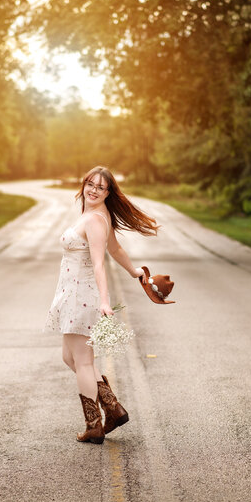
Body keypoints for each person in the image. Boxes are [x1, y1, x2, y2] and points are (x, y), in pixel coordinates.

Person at [44, 166, 160, 444]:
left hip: (80, 295)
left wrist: (105, 301)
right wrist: (134, 272)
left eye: (100, 187)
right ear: (83, 184)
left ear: (108, 192)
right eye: (90, 184)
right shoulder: (96, 215)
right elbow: (116, 248)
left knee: (82, 362)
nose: (93, 190)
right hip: (72, 292)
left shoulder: (95, 219)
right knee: (70, 358)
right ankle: (112, 407)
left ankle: (94, 425)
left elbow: (100, 263)